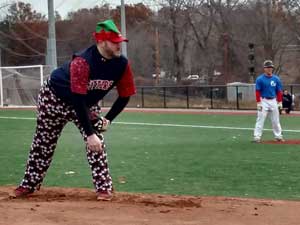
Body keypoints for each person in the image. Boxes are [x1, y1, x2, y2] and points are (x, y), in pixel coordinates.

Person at [12, 19, 136, 201]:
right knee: (43, 143)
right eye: (114, 42)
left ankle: (104, 188)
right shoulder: (83, 61)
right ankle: (29, 184)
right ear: (101, 41)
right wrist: (89, 133)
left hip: (84, 102)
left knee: (97, 144)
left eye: (120, 42)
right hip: (54, 98)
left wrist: (108, 119)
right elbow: (77, 99)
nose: (119, 45)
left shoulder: (121, 64)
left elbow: (125, 95)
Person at [253, 60, 284, 143]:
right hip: (264, 100)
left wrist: (280, 102)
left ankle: (278, 136)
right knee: (260, 119)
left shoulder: (276, 79)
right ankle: (257, 136)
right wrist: (258, 102)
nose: (270, 69)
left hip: (273, 100)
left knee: (275, 120)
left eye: (271, 67)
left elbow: (279, 91)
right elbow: (257, 91)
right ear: (264, 69)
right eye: (268, 67)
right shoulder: (260, 79)